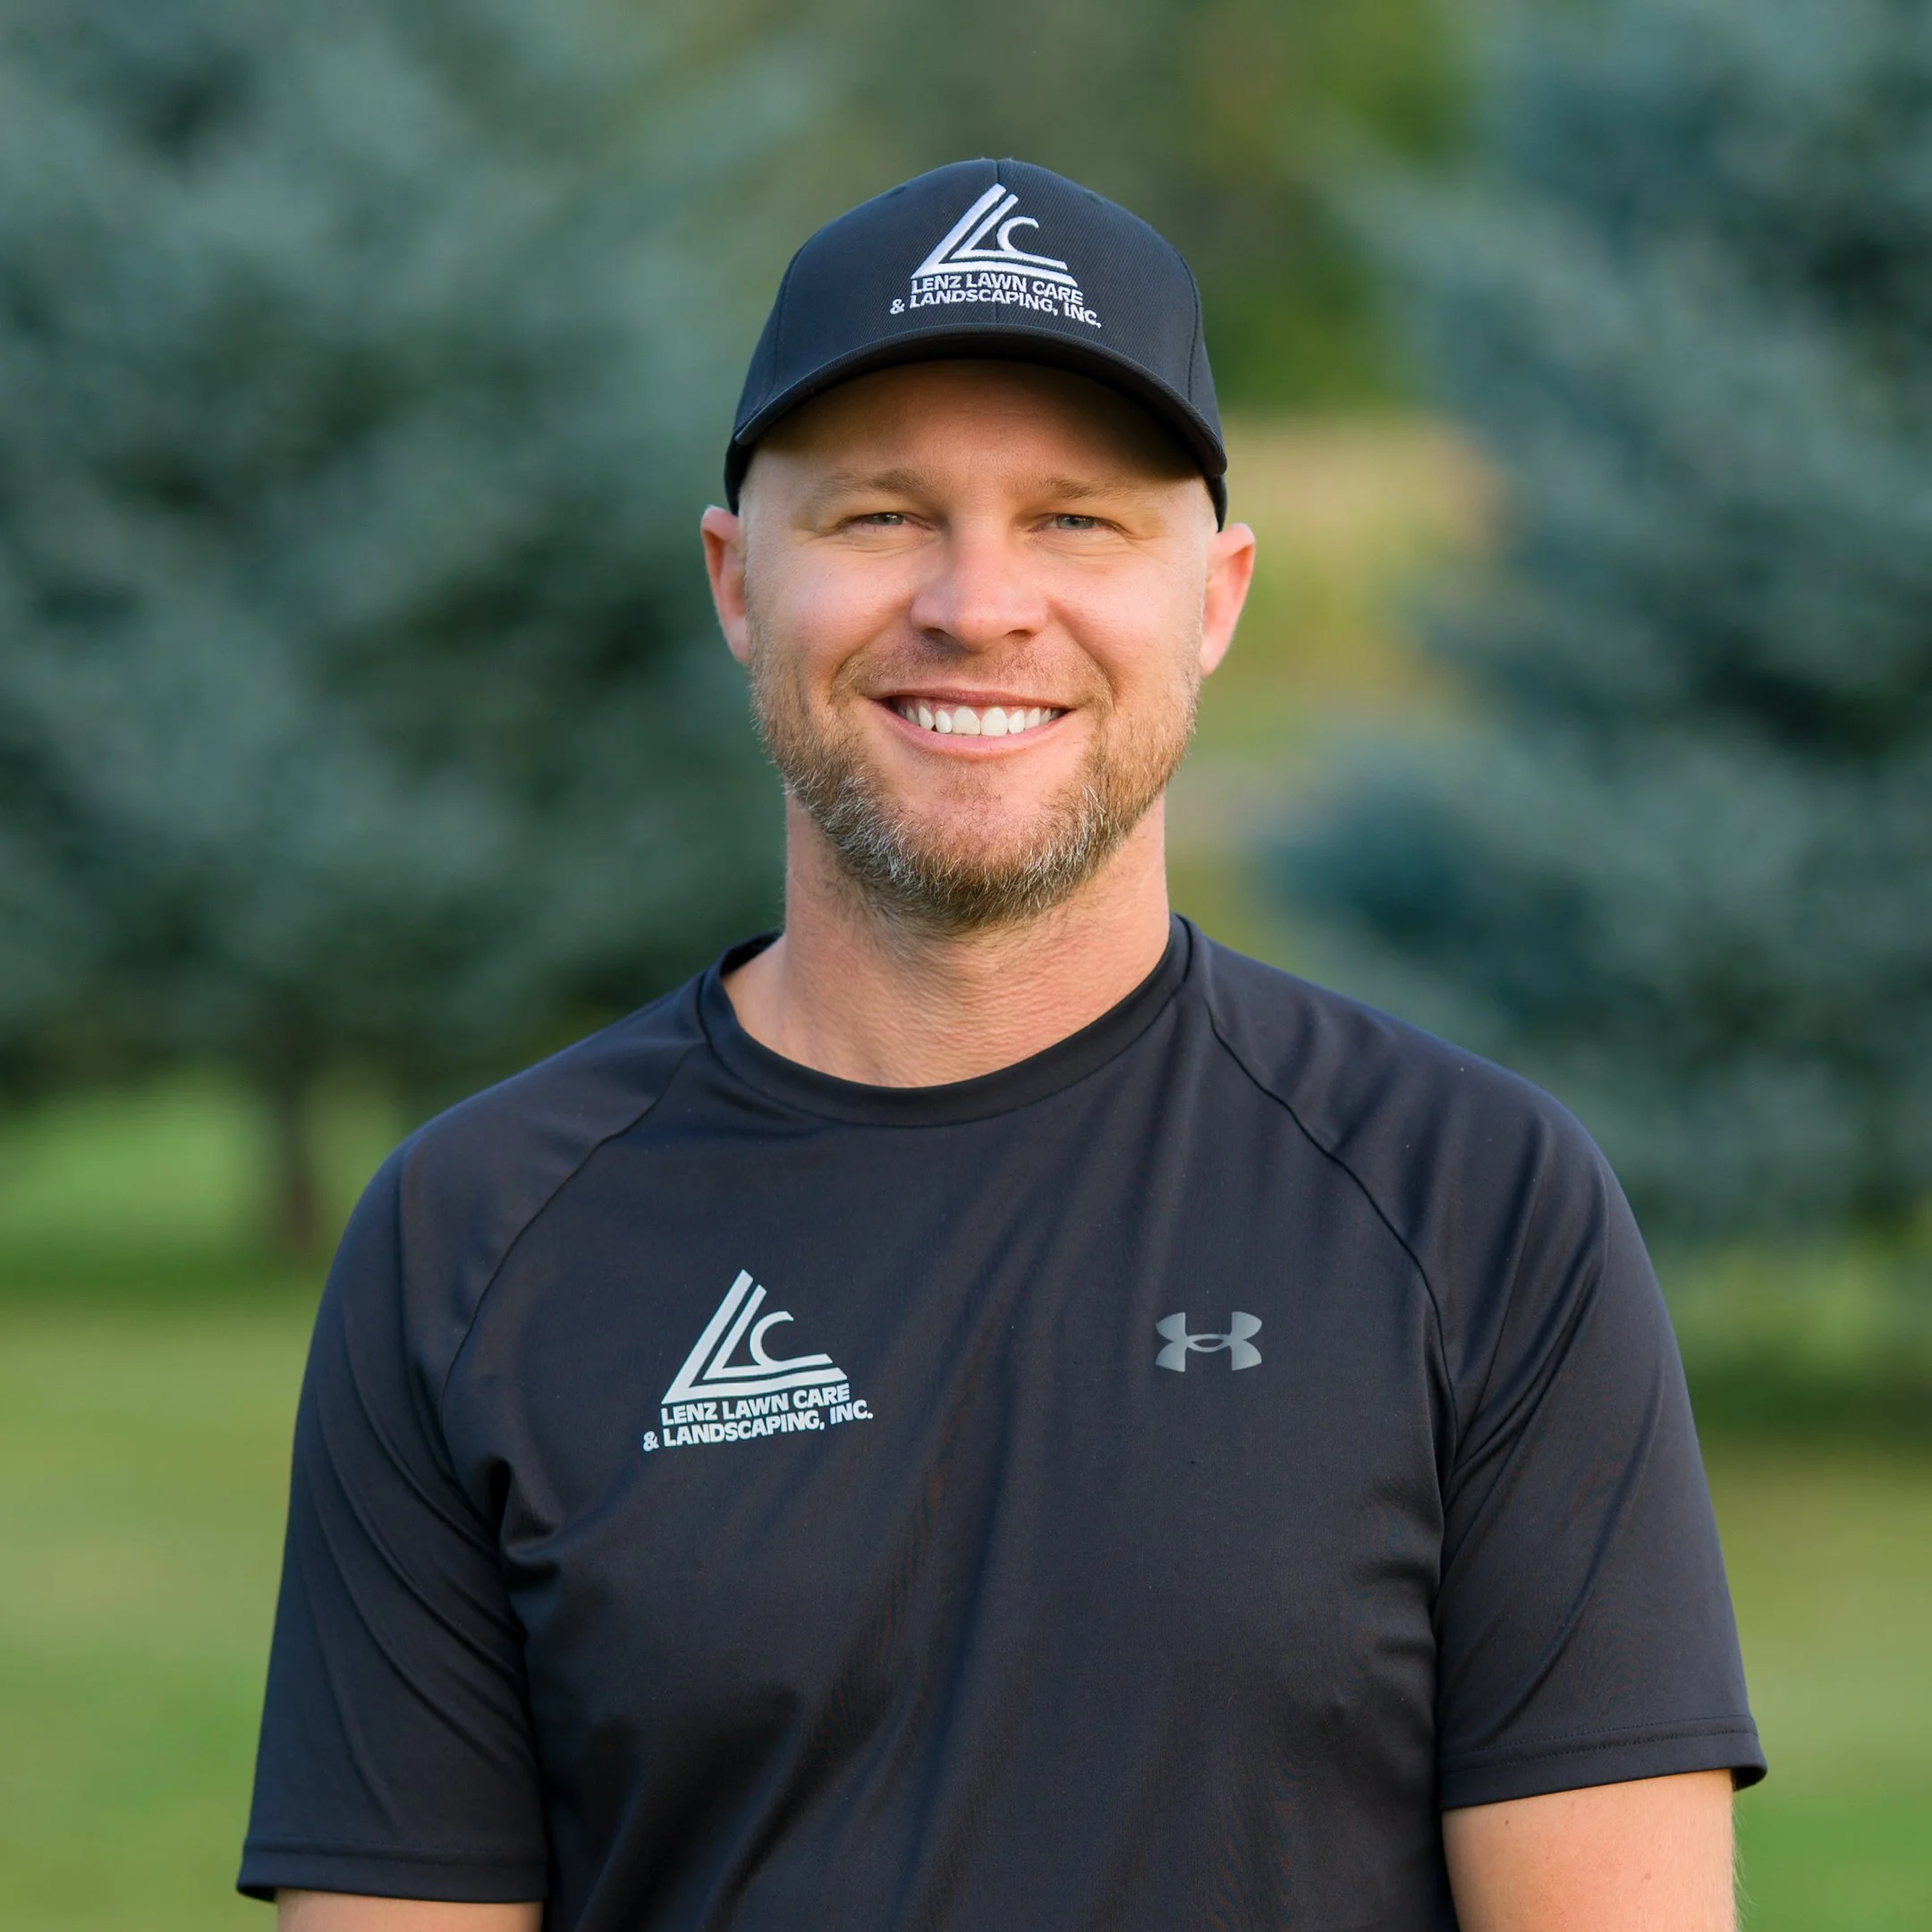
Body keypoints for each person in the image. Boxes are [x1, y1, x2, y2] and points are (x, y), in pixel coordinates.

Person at [242, 158, 1764, 1931]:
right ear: (738, 582)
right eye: (883, 515)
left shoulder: (1477, 1207)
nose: (978, 603)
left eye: (1077, 521)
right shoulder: (473, 1238)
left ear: (1217, 596)